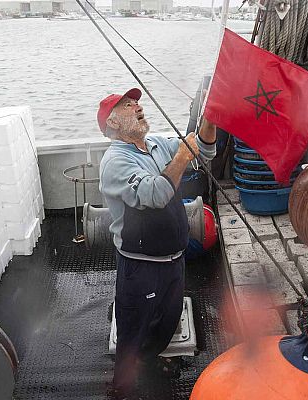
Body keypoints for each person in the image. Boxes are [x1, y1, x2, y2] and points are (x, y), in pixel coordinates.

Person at [97, 88, 216, 399]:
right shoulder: (115, 162)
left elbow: (202, 152)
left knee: (167, 320)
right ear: (112, 122)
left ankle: (149, 360)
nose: (137, 105)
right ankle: (122, 386)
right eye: (127, 104)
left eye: (136, 101)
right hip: (141, 266)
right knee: (133, 330)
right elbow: (155, 194)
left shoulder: (156, 143)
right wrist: (181, 155)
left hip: (175, 260)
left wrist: (211, 119)